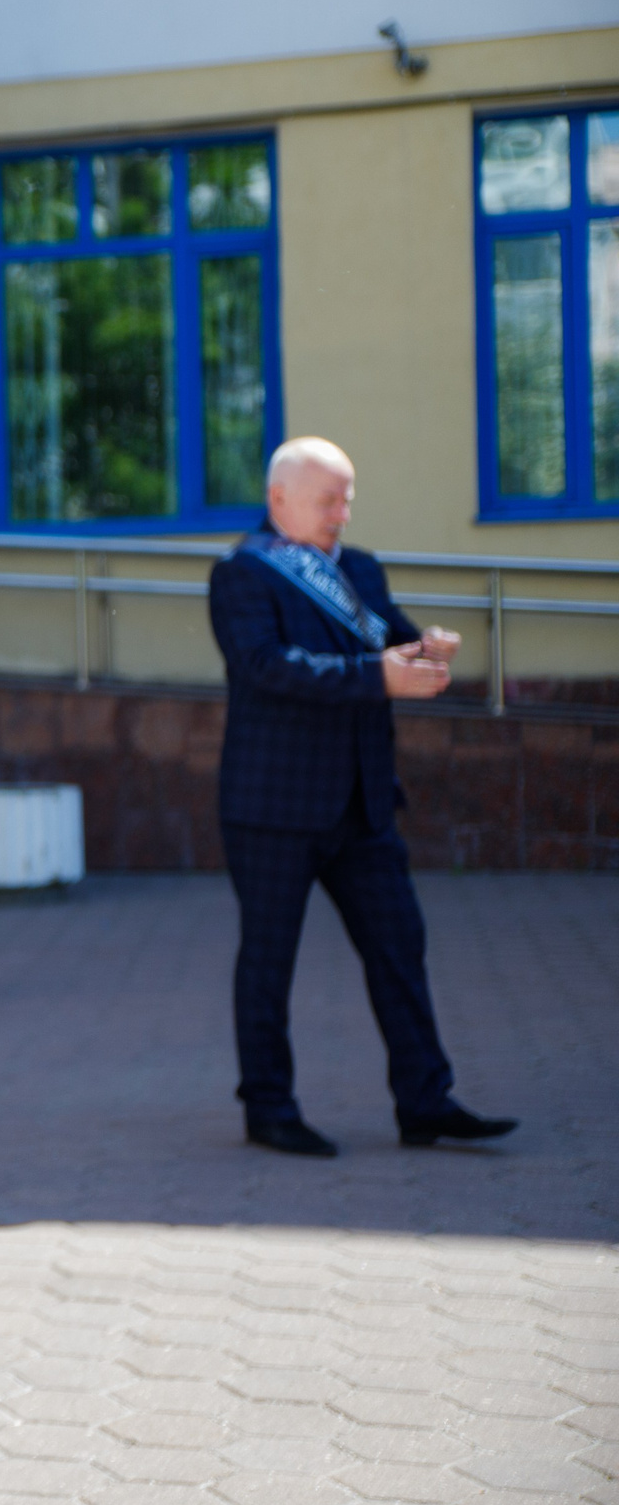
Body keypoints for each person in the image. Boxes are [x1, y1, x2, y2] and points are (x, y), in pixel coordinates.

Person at [210, 436, 518, 1158]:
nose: (342, 512)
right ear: (279, 498)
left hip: (363, 803)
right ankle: (269, 1108)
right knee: (269, 959)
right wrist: (379, 674)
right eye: (328, 499)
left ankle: (426, 1102)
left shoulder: (362, 569)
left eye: (348, 497)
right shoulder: (241, 575)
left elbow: (389, 645)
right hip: (273, 807)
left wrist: (426, 652)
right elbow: (267, 667)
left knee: (399, 948)